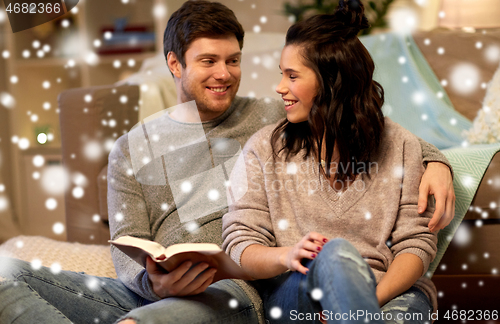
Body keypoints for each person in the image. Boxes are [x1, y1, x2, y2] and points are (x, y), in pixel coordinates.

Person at [0, 1, 451, 324]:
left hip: (234, 288)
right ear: (175, 65)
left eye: (233, 60)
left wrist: (437, 163)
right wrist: (152, 284)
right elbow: (125, 246)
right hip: (153, 292)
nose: (224, 74)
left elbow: (355, 119)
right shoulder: (130, 149)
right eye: (209, 61)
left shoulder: (273, 118)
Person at [222, 1, 440, 323]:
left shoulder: (401, 146)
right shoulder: (264, 149)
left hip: (387, 293)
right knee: (333, 252)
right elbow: (241, 245)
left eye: (292, 76)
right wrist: (288, 255)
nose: (280, 87)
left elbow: (416, 244)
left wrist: (357, 304)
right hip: (297, 295)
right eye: (282, 74)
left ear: (331, 81)